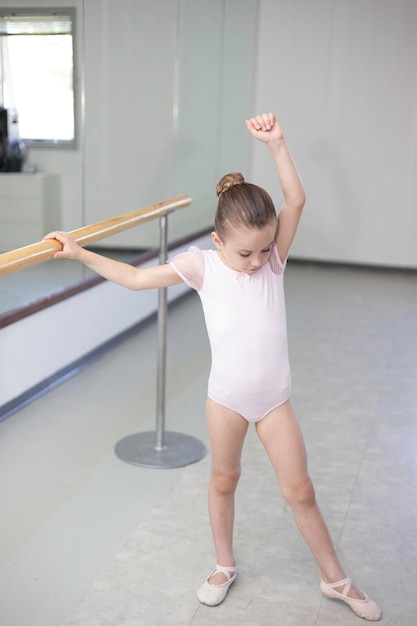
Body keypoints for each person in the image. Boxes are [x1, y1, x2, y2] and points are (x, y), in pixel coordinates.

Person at [44, 112, 381, 621]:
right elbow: (137, 281)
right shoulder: (202, 265)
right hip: (225, 399)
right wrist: (80, 253)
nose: (258, 260)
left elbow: (295, 201)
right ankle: (224, 564)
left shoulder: (272, 262)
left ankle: (335, 578)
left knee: (301, 489)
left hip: (274, 401)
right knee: (224, 480)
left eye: (266, 248)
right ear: (219, 242)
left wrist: (278, 144)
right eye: (246, 252)